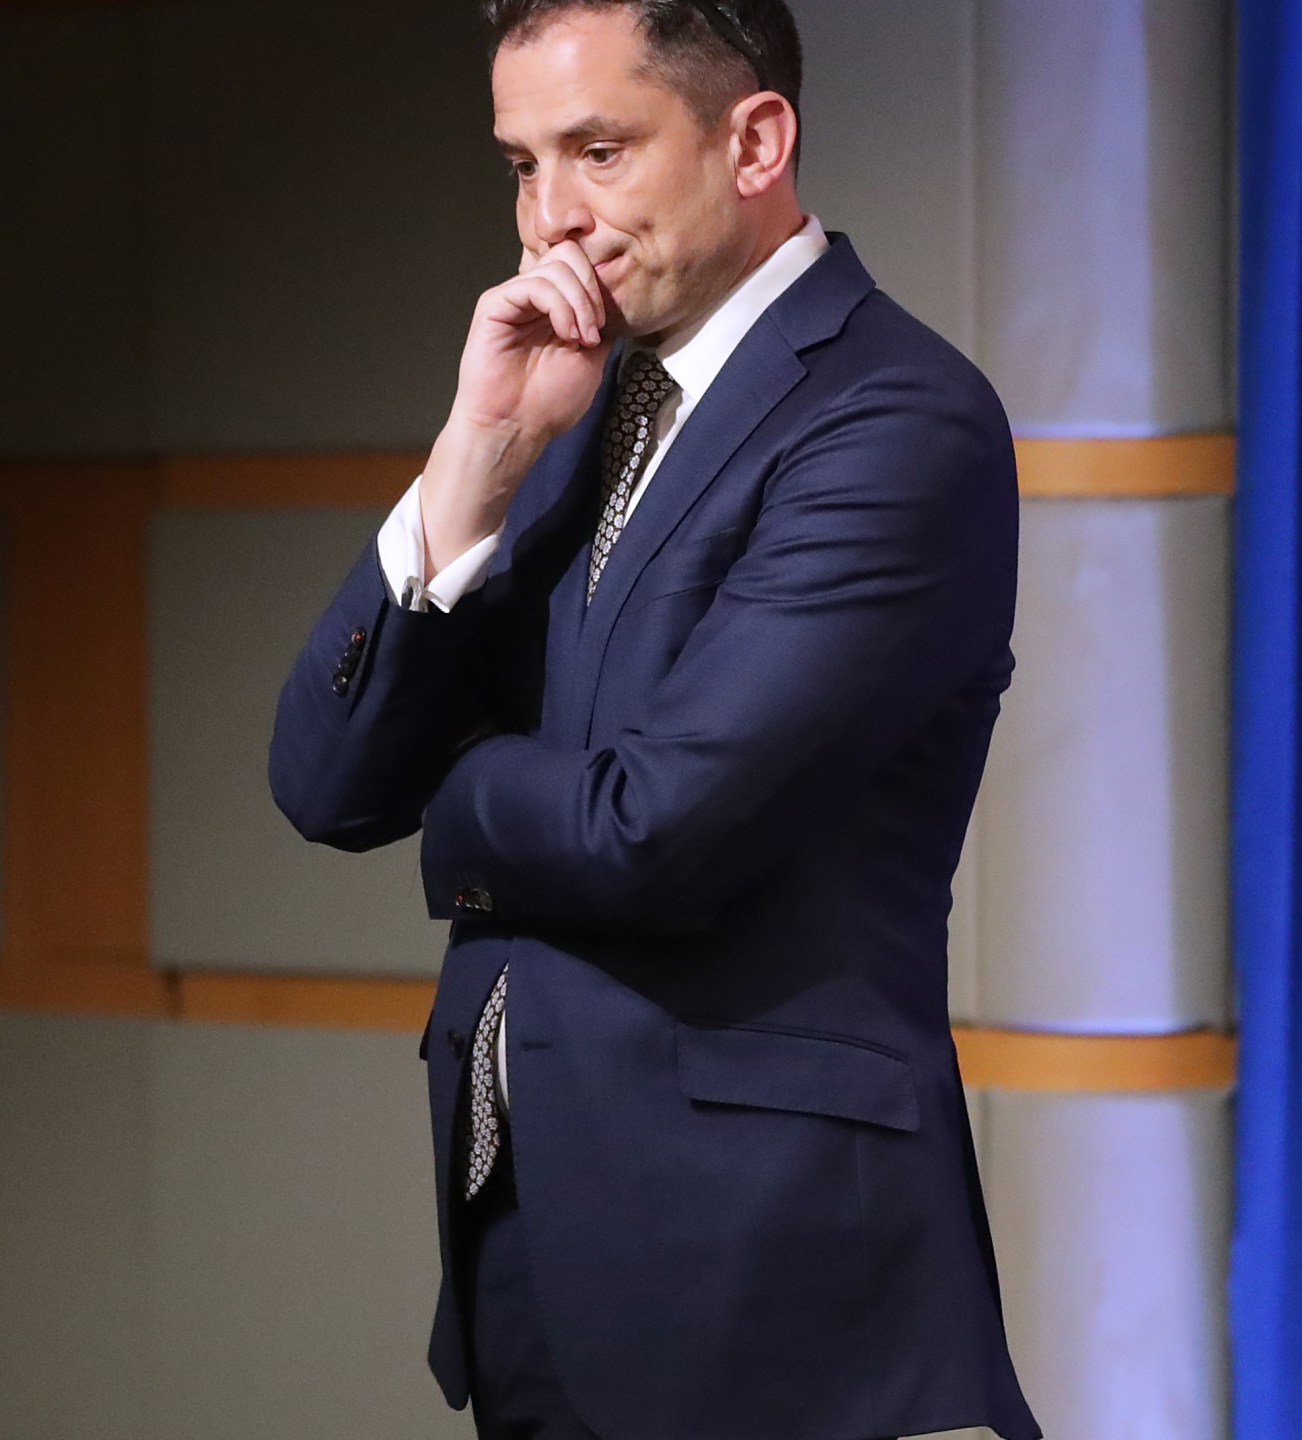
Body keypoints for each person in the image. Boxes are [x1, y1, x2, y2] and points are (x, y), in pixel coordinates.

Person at [266, 3, 1040, 1436]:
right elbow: (324, 786)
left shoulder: (894, 422)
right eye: (519, 165)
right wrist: (473, 463)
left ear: (754, 140)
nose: (550, 218)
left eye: (598, 152)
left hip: (761, 1268)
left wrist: (465, 791)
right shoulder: (579, 416)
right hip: (527, 1237)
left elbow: (653, 830)